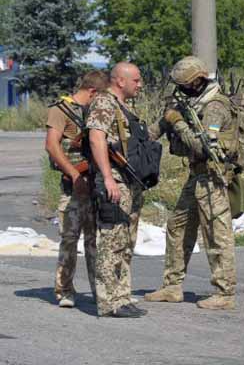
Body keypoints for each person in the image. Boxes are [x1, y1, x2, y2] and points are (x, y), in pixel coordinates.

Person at [144, 56, 238, 310]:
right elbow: (154, 130)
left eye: (183, 84)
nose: (179, 90)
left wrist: (178, 122)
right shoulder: (190, 102)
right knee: (178, 227)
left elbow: (203, 146)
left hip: (213, 179)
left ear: (196, 81)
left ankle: (224, 291)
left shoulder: (214, 107)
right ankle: (172, 286)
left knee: (217, 234)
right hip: (197, 177)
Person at [87, 62, 148, 318]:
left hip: (130, 183)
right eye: (136, 80)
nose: (140, 84)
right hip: (114, 183)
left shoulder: (124, 107)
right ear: (120, 81)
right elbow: (95, 137)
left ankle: (122, 297)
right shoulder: (104, 102)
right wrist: (108, 177)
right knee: (111, 242)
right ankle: (108, 302)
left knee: (125, 242)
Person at [45, 70, 109, 308]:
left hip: (95, 185)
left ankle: (100, 291)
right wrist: (74, 174)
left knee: (96, 241)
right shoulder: (61, 109)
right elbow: (52, 146)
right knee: (70, 239)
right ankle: (64, 290)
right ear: (93, 92)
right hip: (73, 187)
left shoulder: (93, 112)